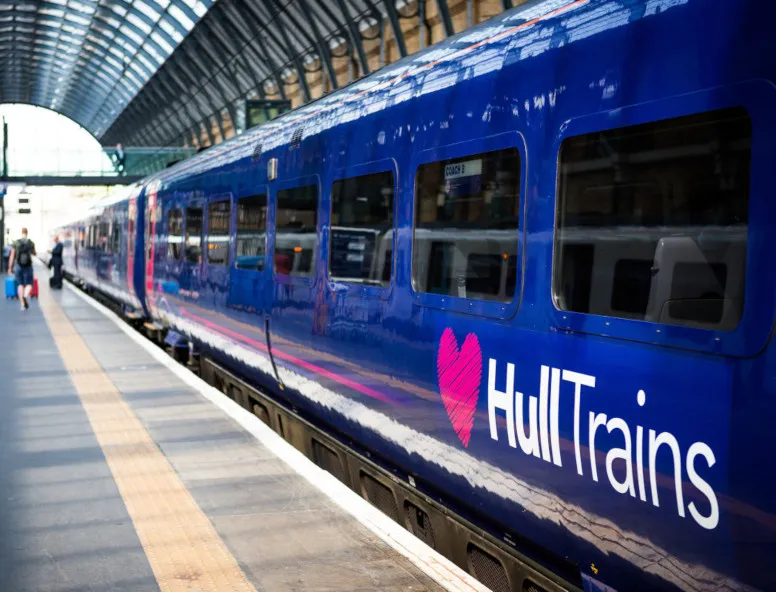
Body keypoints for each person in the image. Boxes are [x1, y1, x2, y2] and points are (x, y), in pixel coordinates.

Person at [8, 228, 36, 311]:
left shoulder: (16, 243)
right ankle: (25, 295)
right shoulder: (31, 243)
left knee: (20, 284)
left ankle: (22, 304)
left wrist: (10, 268)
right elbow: (34, 253)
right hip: (28, 266)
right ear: (27, 233)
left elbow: (12, 256)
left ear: (21, 233)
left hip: (18, 266)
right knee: (29, 283)